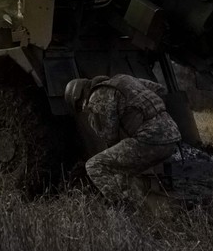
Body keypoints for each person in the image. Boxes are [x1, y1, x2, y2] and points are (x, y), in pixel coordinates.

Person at [64, 74, 183, 205]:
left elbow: (110, 136)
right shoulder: (124, 79)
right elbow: (160, 89)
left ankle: (122, 207)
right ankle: (145, 204)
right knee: (121, 169)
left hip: (149, 140)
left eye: (80, 106)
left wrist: (94, 120)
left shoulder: (97, 97)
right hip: (172, 136)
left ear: (79, 96)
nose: (83, 109)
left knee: (94, 165)